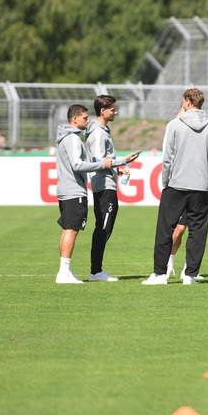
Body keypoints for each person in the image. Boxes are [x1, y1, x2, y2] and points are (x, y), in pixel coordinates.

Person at [143, 88, 208, 285]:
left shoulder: (175, 124)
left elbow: (167, 157)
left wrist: (165, 182)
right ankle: (190, 275)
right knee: (198, 233)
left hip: (176, 185)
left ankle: (160, 275)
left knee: (164, 230)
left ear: (187, 102)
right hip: (202, 188)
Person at [54, 104, 134, 284]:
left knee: (68, 229)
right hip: (74, 190)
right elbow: (77, 165)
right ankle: (64, 272)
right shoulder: (73, 138)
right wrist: (104, 165)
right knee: (72, 230)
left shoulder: (64, 137)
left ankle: (64, 269)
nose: (87, 120)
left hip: (66, 188)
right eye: (84, 117)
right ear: (74, 119)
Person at [86, 95, 139, 282]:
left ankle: (96, 270)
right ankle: (95, 271)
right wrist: (124, 160)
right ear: (102, 110)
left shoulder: (102, 130)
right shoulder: (99, 133)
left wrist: (119, 169)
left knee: (104, 227)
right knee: (103, 228)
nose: (115, 112)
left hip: (107, 184)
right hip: (104, 187)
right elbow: (100, 162)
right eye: (112, 109)